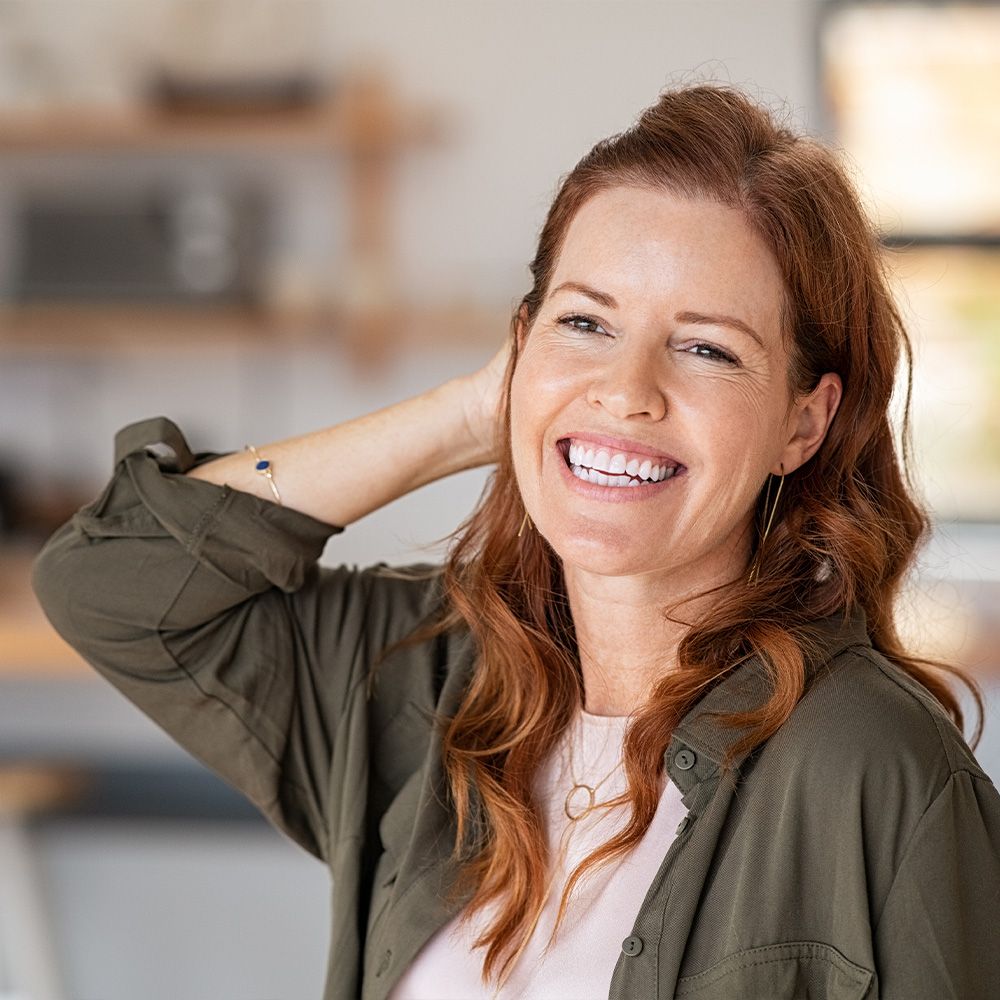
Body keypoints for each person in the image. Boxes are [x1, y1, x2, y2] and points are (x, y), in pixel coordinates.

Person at [31, 83, 1000, 1000]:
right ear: (516, 350)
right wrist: (472, 415)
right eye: (584, 323)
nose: (627, 389)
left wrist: (560, 388)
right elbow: (110, 579)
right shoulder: (421, 676)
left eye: (705, 346)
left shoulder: (875, 771)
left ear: (804, 419)